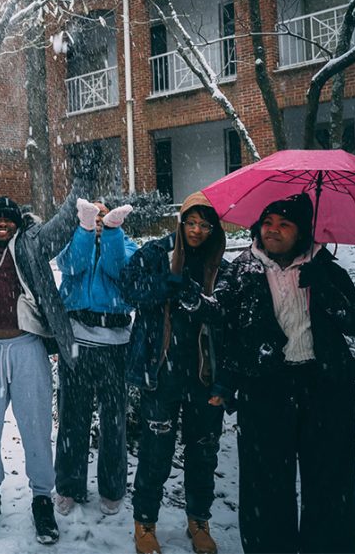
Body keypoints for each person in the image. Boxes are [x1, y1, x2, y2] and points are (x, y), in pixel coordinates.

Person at [215, 193, 355, 554]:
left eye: (285, 224)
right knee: (265, 484)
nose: (273, 230)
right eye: (268, 222)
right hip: (266, 388)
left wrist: (326, 288)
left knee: (329, 482)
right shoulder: (242, 269)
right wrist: (227, 382)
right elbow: (226, 330)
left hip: (325, 388)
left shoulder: (326, 269)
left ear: (302, 232)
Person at [0, 168, 90, 545]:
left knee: (37, 427)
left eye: (9, 218)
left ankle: (42, 499)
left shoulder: (33, 242)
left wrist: (80, 183)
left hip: (27, 347)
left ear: (17, 222)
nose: (3, 223)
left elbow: (64, 222)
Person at [119, 192, 228, 554]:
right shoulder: (156, 253)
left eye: (205, 225)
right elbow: (128, 288)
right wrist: (161, 287)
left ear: (213, 229)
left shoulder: (219, 265)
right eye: (192, 223)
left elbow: (228, 316)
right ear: (181, 222)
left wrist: (202, 302)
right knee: (155, 452)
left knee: (202, 452)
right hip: (161, 370)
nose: (197, 231)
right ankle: (145, 522)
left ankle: (199, 520)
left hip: (202, 374)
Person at [53, 200, 136, 517]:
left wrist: (113, 233)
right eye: (93, 216)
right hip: (76, 342)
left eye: (103, 216)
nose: (99, 220)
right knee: (72, 418)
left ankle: (112, 487)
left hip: (115, 346)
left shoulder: (124, 244)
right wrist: (84, 231)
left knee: (114, 421)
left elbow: (120, 270)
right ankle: (68, 486)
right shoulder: (75, 242)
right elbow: (72, 265)